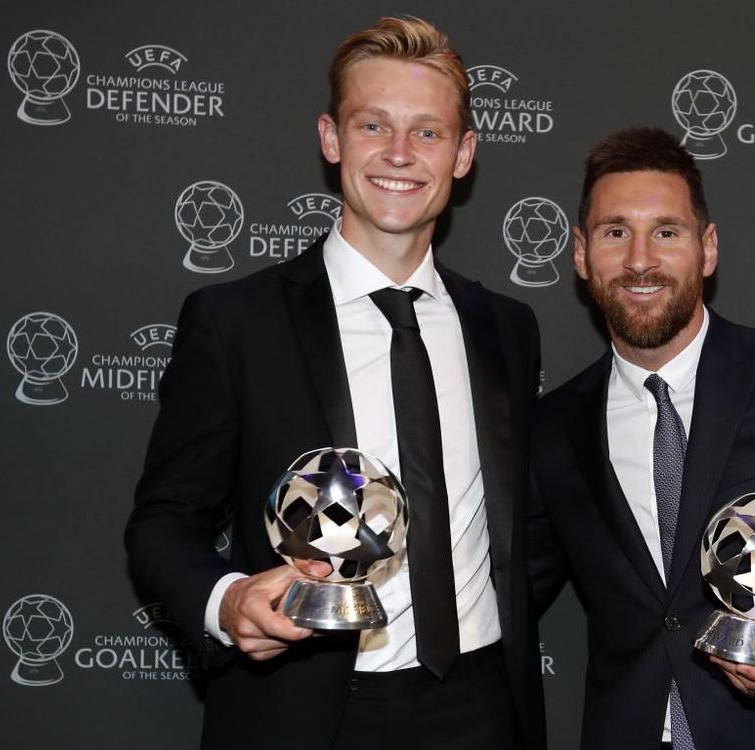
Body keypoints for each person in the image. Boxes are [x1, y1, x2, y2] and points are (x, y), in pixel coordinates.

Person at [126, 16, 544, 750]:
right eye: (372, 124)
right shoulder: (236, 322)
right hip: (308, 711)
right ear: (331, 139)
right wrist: (227, 602)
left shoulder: (506, 327)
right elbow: (163, 521)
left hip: (485, 706)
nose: (399, 155)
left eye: (428, 133)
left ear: (464, 154)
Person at [528, 127, 755, 750]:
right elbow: (509, 592)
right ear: (580, 254)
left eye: (666, 232)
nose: (640, 259)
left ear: (708, 248)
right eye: (615, 232)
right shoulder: (553, 424)